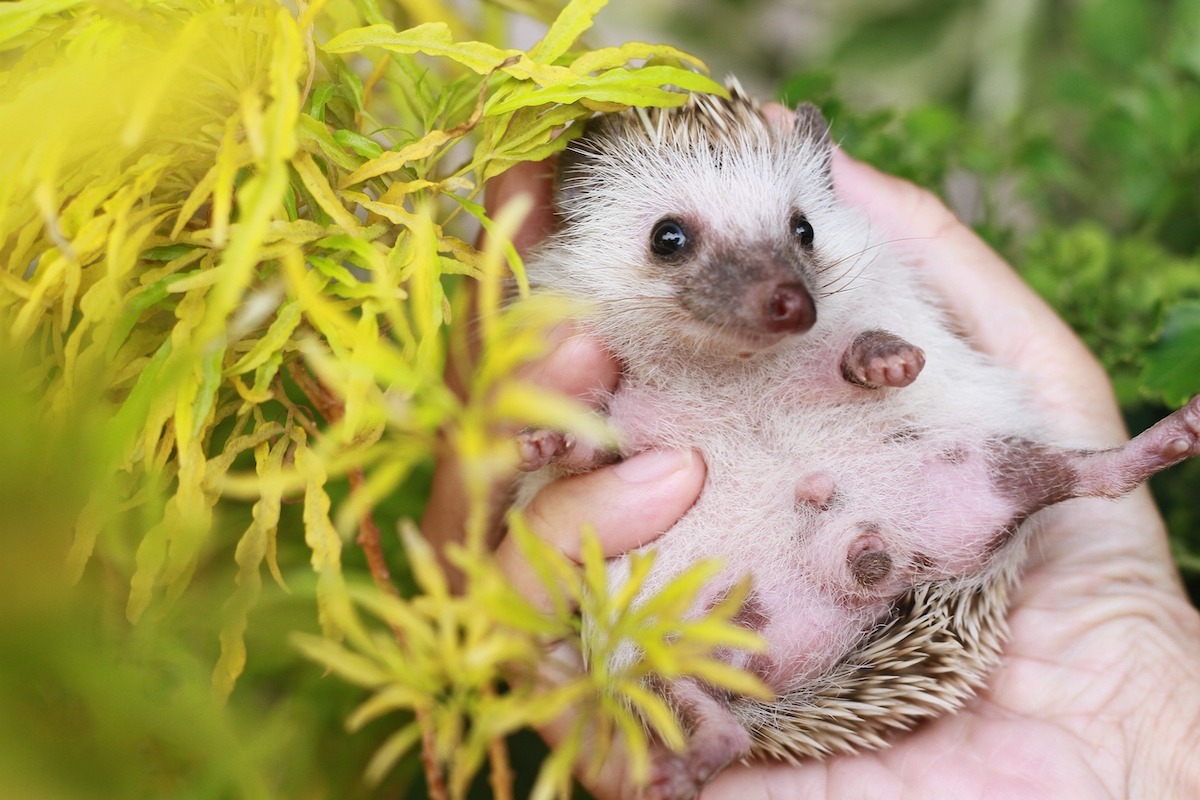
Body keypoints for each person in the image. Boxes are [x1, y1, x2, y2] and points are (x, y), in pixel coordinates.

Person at [422, 124, 1200, 797]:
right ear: (572, 239)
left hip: (882, 501)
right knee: (647, 643)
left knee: (970, 458)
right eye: (673, 241)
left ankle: (1100, 468)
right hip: (748, 606)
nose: (781, 289)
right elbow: (600, 451)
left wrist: (864, 354)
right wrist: (571, 443)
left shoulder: (849, 296)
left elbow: (878, 357)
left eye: (797, 235)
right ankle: (705, 722)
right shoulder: (591, 339)